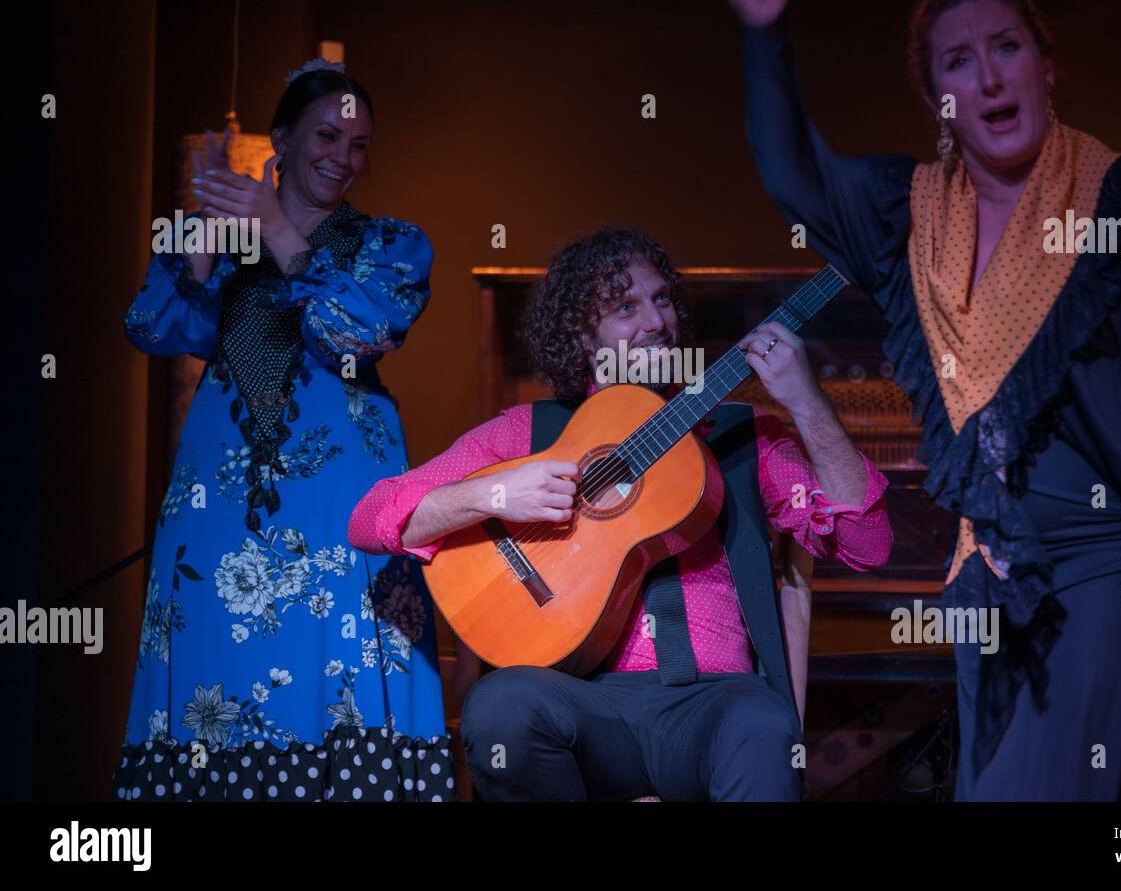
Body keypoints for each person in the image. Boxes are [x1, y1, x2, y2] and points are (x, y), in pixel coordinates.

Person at [705, 0, 1121, 799]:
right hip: (992, 575)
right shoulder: (909, 215)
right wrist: (764, 26)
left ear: (1046, 66)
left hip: (1119, 566)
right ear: (937, 97)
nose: (987, 77)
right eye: (958, 61)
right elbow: (795, 176)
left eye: (1007, 47)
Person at [348, 226, 893, 800]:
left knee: (763, 725)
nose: (655, 322)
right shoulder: (527, 433)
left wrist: (805, 401)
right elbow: (372, 517)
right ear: (583, 334)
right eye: (625, 307)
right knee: (500, 709)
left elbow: (868, 542)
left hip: (710, 706)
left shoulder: (740, 435)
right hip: (583, 706)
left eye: (661, 299)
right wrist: (495, 493)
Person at [115, 60, 454, 802]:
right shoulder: (234, 244)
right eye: (328, 134)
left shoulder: (389, 244)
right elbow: (152, 325)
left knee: (345, 680)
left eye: (360, 144)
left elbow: (358, 331)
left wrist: (275, 227)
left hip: (342, 501)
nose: (343, 156)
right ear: (280, 140)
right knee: (216, 678)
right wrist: (204, 236)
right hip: (221, 503)